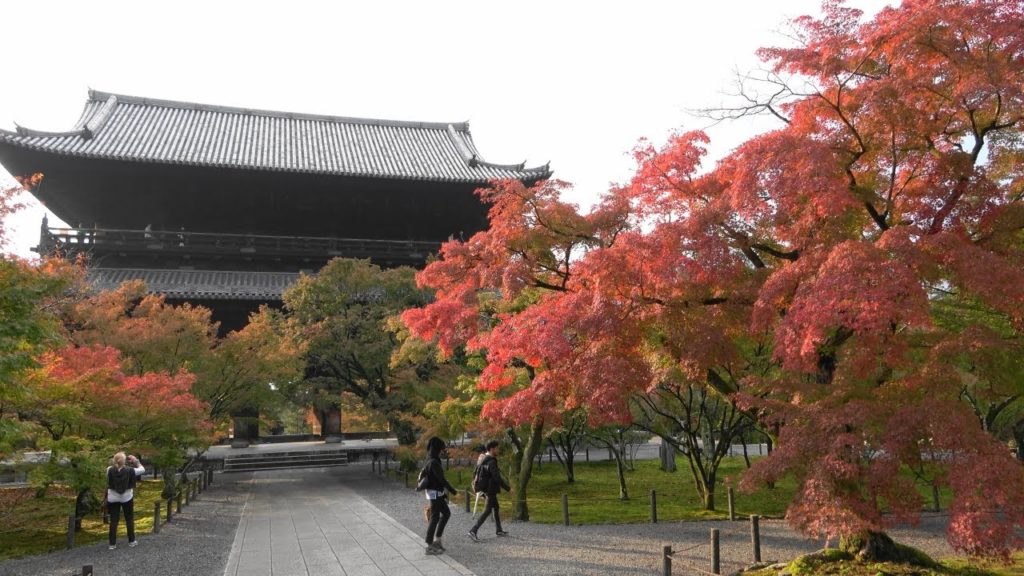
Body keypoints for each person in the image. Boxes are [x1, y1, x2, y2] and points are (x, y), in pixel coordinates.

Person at [418, 437, 458, 555]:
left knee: (446, 514)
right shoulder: (433, 462)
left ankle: (437, 540)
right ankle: (429, 545)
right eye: (441, 448)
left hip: (437, 493)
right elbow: (441, 479)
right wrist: (453, 491)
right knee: (435, 518)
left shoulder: (431, 459)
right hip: (434, 494)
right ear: (437, 448)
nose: (442, 451)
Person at [467, 440, 511, 541]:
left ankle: (499, 530)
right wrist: (508, 489)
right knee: (487, 511)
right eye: (497, 448)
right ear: (492, 449)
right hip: (490, 490)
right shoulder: (491, 461)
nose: (498, 450)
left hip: (487, 488)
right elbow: (497, 478)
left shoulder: (484, 459)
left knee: (496, 507)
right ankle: (473, 531)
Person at [106, 452, 145, 550]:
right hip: (126, 497)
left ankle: (112, 544)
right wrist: (135, 461)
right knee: (129, 519)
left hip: (113, 497)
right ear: (124, 461)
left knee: (113, 520)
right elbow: (142, 469)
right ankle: (131, 541)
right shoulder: (130, 470)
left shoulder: (109, 469)